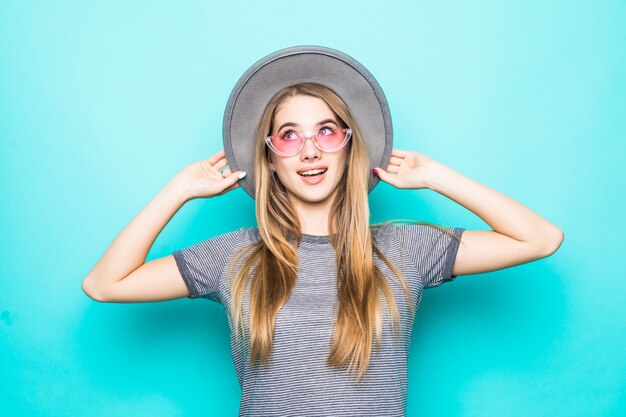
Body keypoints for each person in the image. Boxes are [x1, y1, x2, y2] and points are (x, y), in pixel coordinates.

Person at [81, 47, 564, 417]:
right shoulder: (235, 256)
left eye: (327, 131)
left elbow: (539, 239)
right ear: (269, 156)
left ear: (350, 147)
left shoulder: (405, 247)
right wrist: (176, 191)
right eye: (289, 136)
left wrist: (437, 176)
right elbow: (105, 285)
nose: (309, 151)